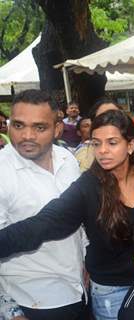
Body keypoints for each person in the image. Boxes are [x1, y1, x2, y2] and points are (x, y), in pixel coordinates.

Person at [0, 109, 134, 320]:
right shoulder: (88, 186)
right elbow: (43, 224)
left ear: (130, 145)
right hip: (112, 293)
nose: (102, 151)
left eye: (112, 143)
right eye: (96, 143)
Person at [0, 90, 86, 320]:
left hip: (79, 290)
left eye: (39, 127)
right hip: (30, 301)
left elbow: (80, 221)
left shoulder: (67, 159)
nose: (27, 135)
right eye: (18, 125)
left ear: (57, 129)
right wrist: (8, 310)